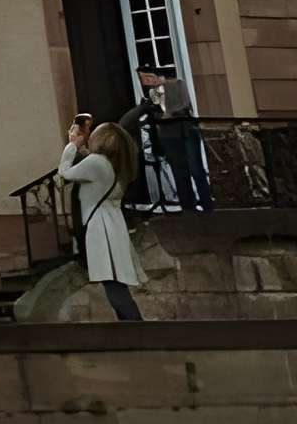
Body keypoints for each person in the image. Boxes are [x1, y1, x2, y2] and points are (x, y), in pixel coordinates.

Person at [61, 115, 147, 318]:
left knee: (114, 286)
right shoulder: (111, 164)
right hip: (113, 223)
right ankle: (135, 326)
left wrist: (71, 145)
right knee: (117, 285)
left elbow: (64, 174)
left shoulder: (97, 163)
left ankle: (137, 328)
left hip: (101, 227)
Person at [123, 66, 211, 212]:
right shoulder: (153, 93)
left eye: (146, 78)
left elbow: (183, 106)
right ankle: (188, 206)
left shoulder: (177, 84)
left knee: (196, 169)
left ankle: (206, 203)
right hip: (168, 135)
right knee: (179, 171)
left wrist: (165, 114)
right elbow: (149, 110)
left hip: (185, 131)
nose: (145, 82)